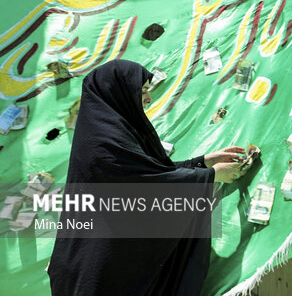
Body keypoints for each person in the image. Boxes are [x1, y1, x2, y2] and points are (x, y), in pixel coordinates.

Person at [48, 59, 246, 295]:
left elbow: (150, 171)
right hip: (97, 271)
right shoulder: (103, 142)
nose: (148, 98)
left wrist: (202, 163)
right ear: (117, 92)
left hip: (105, 263)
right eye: (142, 91)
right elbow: (145, 184)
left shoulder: (116, 130)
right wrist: (210, 176)